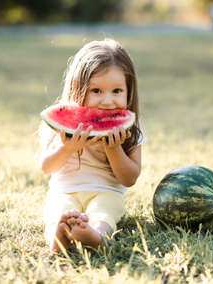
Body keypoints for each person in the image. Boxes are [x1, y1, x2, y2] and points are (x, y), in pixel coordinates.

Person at [39, 39, 145, 252]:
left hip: (106, 191)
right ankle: (57, 237)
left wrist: (113, 149)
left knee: (104, 212)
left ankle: (97, 236)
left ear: (129, 92)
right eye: (96, 91)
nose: (107, 101)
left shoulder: (132, 127)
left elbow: (129, 178)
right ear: (78, 89)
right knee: (59, 212)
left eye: (117, 91)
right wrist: (68, 147)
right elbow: (46, 167)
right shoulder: (60, 123)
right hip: (65, 191)